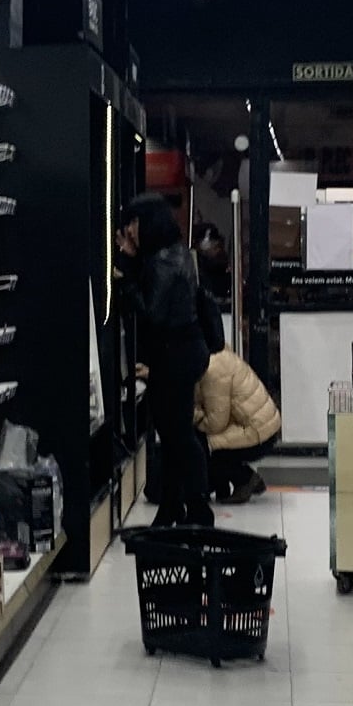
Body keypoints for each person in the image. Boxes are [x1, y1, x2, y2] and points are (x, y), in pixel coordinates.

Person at [116, 192, 213, 527]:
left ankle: (198, 507)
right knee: (172, 434)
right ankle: (172, 506)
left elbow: (152, 314)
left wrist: (127, 279)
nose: (130, 231)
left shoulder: (162, 262)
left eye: (134, 222)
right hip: (183, 353)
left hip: (175, 357)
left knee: (177, 435)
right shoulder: (176, 254)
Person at [196, 346, 280, 504]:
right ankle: (228, 486)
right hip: (264, 425)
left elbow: (216, 423)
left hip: (258, 431)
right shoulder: (219, 355)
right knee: (211, 443)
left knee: (210, 447)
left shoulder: (213, 370)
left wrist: (193, 414)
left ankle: (246, 479)